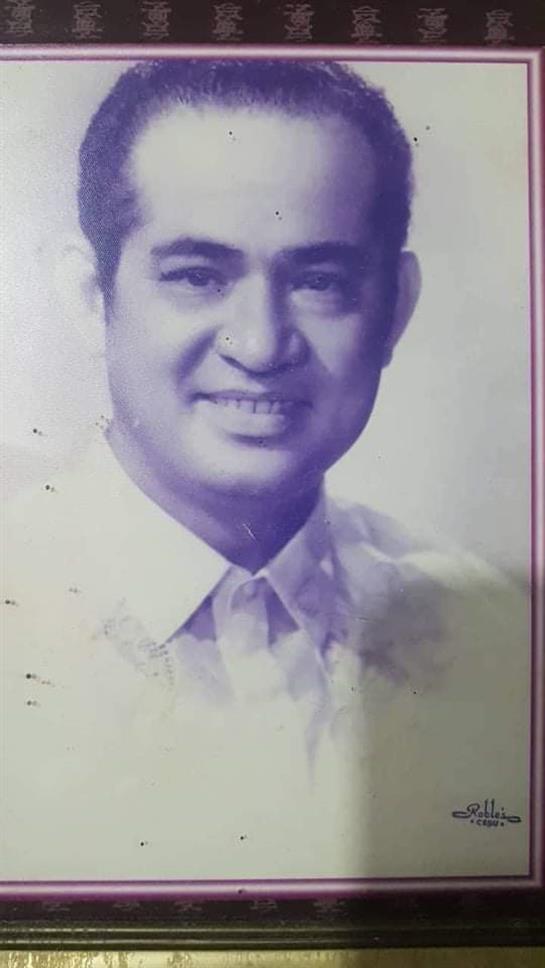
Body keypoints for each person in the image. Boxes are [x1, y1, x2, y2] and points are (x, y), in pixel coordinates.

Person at [1, 59, 529, 881]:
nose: (259, 344)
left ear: (394, 308)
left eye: (319, 281)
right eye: (196, 276)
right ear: (88, 295)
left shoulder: (494, 643)